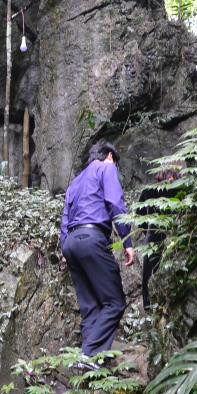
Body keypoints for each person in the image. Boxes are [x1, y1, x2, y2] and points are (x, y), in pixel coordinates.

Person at [60, 141, 135, 359]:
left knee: (90, 307)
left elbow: (65, 219)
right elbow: (115, 203)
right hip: (92, 238)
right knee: (115, 302)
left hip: (71, 244)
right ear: (110, 156)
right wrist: (127, 242)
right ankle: (90, 354)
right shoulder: (106, 168)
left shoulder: (75, 182)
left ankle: (88, 364)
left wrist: (65, 249)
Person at [138, 166, 181, 309]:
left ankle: (148, 305)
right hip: (175, 236)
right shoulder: (180, 190)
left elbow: (138, 216)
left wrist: (147, 230)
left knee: (148, 275)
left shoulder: (148, 191)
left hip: (153, 236)